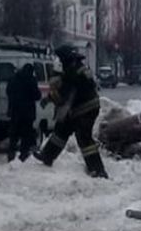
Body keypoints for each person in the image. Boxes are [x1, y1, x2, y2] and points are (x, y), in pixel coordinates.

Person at [37, 46, 108, 178]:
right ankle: (47, 155)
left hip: (85, 109)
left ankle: (98, 170)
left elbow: (63, 94)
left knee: (84, 139)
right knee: (61, 130)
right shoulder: (79, 68)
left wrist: (49, 99)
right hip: (81, 108)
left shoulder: (72, 72)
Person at [6, 63, 42, 162]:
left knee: (14, 134)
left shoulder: (13, 79)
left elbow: (8, 91)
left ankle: (11, 154)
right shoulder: (31, 80)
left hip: (15, 111)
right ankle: (23, 155)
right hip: (27, 113)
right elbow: (37, 95)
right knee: (26, 135)